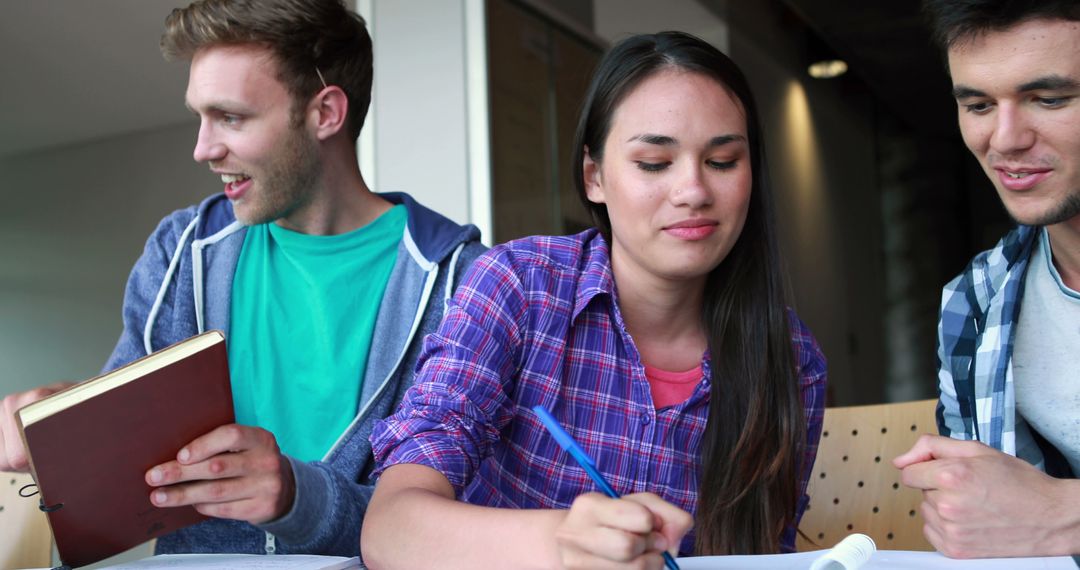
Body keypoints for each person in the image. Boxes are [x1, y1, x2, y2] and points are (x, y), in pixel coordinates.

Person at [0, 0, 484, 558]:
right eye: (200, 117)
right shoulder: (180, 251)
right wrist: (63, 430)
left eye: (230, 117)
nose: (203, 149)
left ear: (325, 113)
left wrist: (297, 497)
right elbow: (128, 471)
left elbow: (462, 526)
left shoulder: (463, 284)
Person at [360, 31, 827, 569]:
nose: (694, 191)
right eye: (654, 162)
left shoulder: (791, 358)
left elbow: (766, 557)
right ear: (594, 177)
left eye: (722, 161)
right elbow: (390, 530)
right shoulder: (519, 287)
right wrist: (561, 544)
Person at [893, 0, 1080, 559]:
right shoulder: (973, 301)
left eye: (1049, 99)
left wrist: (1062, 515)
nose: (1004, 139)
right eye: (978, 105)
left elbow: (1039, 519)